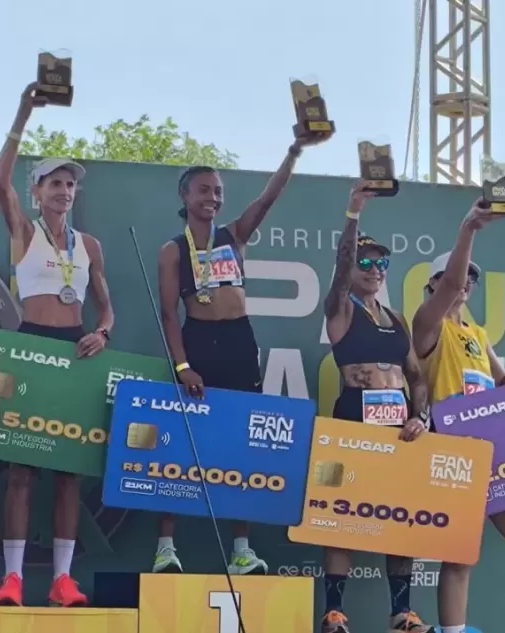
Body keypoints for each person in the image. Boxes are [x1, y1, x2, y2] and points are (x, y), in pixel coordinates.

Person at [156, 128, 329, 575]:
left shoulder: (235, 235)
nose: (212, 197)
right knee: (184, 442)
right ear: (185, 195)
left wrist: (293, 151)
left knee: (240, 444)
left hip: (239, 341)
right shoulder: (173, 251)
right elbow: (169, 316)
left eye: (218, 191)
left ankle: (241, 549)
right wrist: (182, 366)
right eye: (204, 190)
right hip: (198, 342)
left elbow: (267, 199)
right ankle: (165, 546)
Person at [0, 82, 114, 608]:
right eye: (54, 182)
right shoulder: (23, 229)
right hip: (29, 345)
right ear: (37, 191)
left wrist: (102, 331)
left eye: (70, 184)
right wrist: (24, 111)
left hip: (74, 350)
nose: (64, 190)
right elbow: (0, 181)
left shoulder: (89, 245)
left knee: (70, 473)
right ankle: (13, 579)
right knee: (21, 471)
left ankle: (63, 580)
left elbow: (106, 307)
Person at [411, 199, 505, 633]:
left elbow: (500, 377)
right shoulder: (427, 324)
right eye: (455, 276)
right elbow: (451, 286)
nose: (464, 282)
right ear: (433, 284)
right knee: (459, 560)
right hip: (454, 454)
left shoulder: (476, 332)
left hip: (498, 454)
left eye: (472, 277)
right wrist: (468, 228)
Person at [321, 180, 433, 633]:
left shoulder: (397, 319)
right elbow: (343, 261)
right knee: (341, 518)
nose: (374, 268)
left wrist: (419, 415)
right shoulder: (340, 308)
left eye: (381, 262)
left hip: (398, 430)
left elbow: (417, 376)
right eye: (366, 261)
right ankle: (334, 613)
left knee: (401, 518)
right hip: (352, 422)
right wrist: (353, 213)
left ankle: (402, 613)